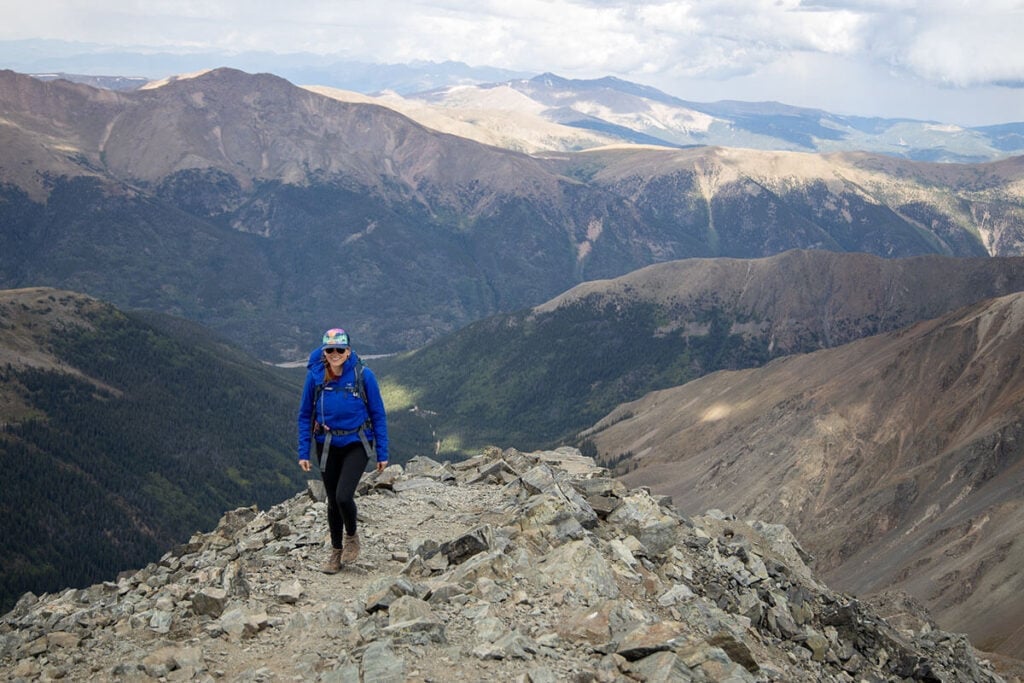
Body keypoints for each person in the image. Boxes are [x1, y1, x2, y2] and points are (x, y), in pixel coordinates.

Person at [297, 328, 389, 573]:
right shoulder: (316, 377)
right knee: (331, 501)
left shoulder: (363, 375)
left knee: (343, 496)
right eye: (330, 350)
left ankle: (351, 536)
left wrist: (383, 452)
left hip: (357, 443)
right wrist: (303, 452)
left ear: (348, 351)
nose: (335, 354)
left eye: (340, 349)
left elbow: (378, 414)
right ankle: (336, 552)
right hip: (326, 444)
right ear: (324, 352)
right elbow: (305, 415)